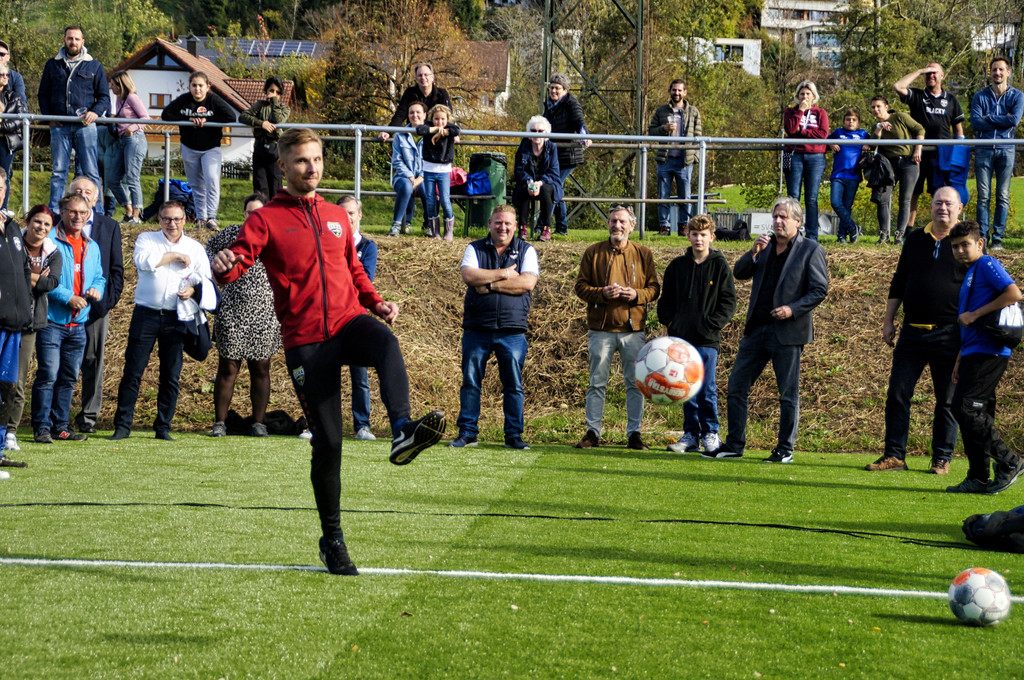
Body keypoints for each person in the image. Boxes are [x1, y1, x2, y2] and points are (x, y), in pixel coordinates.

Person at [210, 127, 447, 576]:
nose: (312, 168)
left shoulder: (338, 215)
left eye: (317, 159)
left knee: (385, 342)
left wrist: (376, 302)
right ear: (283, 166)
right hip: (305, 342)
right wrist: (224, 267)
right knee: (330, 444)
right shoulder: (265, 219)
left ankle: (401, 429)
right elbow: (239, 259)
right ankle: (332, 539)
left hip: (346, 320)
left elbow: (353, 268)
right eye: (301, 160)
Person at [718, 196, 828, 463]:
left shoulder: (810, 250)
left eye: (784, 217)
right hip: (756, 330)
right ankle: (734, 445)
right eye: (776, 216)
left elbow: (819, 289)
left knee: (787, 394)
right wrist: (753, 251)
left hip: (788, 332)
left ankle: (784, 449)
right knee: (736, 386)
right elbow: (740, 273)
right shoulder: (764, 246)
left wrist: (792, 309)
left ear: (798, 222)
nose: (778, 222)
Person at [867, 187, 966, 474]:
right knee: (897, 394)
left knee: (946, 400)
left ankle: (942, 459)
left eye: (949, 204)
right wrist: (888, 321)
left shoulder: (965, 242)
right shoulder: (914, 239)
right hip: (911, 333)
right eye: (938, 203)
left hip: (949, 334)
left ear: (960, 208)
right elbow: (899, 281)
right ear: (931, 206)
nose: (943, 208)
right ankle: (895, 456)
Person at [108, 200, 214, 441]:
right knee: (133, 371)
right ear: (159, 220)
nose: (172, 224)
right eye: (166, 219)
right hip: (146, 313)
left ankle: (163, 427)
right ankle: (122, 426)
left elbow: (204, 278)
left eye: (176, 219)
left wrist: (192, 291)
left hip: (177, 316)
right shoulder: (147, 239)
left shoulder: (195, 247)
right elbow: (144, 263)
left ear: (185, 220)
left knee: (171, 374)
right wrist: (173, 255)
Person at [450, 205, 539, 450]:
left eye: (508, 223)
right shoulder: (474, 248)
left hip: (512, 330)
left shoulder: (527, 250)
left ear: (515, 225)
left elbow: (527, 282)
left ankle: (513, 435)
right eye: (498, 223)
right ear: (490, 223)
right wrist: (504, 274)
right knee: (470, 382)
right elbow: (469, 276)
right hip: (477, 328)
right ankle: (468, 432)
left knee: (513, 385)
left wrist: (489, 284)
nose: (503, 227)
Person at [946, 220, 1024, 494]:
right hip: (972, 351)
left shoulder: (987, 264)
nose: (959, 250)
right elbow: (966, 324)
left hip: (990, 350)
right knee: (978, 412)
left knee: (965, 408)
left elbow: (1014, 293)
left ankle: (1009, 461)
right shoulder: (971, 273)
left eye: (965, 244)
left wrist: (975, 315)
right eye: (955, 246)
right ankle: (978, 476)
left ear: (979, 243)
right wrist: (959, 358)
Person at [573, 204, 660, 451]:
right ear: (608, 224)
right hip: (600, 330)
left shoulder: (643, 253)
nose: (617, 226)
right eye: (613, 221)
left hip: (633, 331)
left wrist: (635, 294)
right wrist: (602, 293)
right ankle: (593, 432)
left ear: (632, 226)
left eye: (622, 222)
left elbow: (654, 289)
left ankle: (634, 434)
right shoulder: (593, 252)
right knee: (596, 382)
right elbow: (580, 287)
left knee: (635, 383)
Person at [204, 193, 282, 439]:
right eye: (250, 212)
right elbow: (208, 250)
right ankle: (220, 422)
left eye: (259, 212)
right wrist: (214, 266)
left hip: (265, 312)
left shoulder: (275, 236)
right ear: (244, 213)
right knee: (228, 367)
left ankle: (258, 423)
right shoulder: (232, 234)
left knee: (261, 368)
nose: (254, 216)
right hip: (232, 311)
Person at [659, 214, 736, 456]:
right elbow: (666, 300)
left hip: (707, 340)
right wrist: (671, 322)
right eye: (694, 234)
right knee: (686, 388)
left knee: (707, 388)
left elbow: (728, 302)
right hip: (681, 340)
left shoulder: (719, 265)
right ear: (688, 235)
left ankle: (710, 433)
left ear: (711, 237)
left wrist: (710, 325)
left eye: (703, 235)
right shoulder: (677, 266)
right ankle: (691, 434)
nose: (698, 239)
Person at [31, 193, 105, 443]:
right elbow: (41, 278)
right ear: (61, 213)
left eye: (83, 213)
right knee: (48, 375)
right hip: (52, 320)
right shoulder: (49, 241)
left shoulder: (91, 245)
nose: (77, 217)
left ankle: (60, 425)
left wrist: (97, 289)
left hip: (79, 324)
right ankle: (41, 426)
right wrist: (67, 297)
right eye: (72, 212)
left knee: (68, 377)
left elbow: (100, 277)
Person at [62, 177, 124, 434]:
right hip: (62, 307)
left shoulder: (109, 226)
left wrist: (106, 303)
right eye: (77, 191)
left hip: (97, 309)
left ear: (96, 199)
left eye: (88, 192)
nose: (83, 194)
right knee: (62, 363)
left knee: (93, 363)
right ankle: (58, 416)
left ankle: (88, 417)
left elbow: (116, 270)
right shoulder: (59, 225)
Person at [0, 206, 60, 456]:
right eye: (37, 222)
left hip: (30, 323)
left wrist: (27, 276)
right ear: (28, 221)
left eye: (47, 225)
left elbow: (51, 283)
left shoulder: (53, 252)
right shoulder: (12, 239)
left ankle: (10, 431)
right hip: (6, 316)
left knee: (16, 382)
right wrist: (33, 277)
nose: (41, 228)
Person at [37, 26, 109, 215]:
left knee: (91, 171)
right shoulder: (52, 65)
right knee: (58, 171)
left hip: (85, 126)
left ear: (83, 42)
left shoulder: (94, 66)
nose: (73, 42)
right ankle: (54, 212)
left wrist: (96, 112)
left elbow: (104, 97)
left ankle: (98, 213)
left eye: (77, 39)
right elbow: (43, 95)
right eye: (70, 38)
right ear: (64, 40)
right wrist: (49, 119)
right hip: (59, 126)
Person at [161, 72, 236, 231]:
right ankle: (201, 218)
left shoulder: (213, 100)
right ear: (189, 86)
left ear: (208, 87)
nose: (197, 89)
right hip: (189, 147)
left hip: (211, 148)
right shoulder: (184, 100)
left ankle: (211, 217)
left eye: (201, 85)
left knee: (212, 181)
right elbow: (166, 114)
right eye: (194, 85)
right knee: (196, 185)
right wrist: (188, 120)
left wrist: (208, 120)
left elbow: (230, 116)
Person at [893, 63, 965, 227]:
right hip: (916, 153)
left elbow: (959, 131)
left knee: (939, 194)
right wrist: (918, 71)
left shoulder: (951, 99)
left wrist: (960, 154)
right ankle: (907, 230)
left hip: (941, 155)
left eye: (934, 72)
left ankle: (939, 228)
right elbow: (898, 86)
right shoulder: (917, 96)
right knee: (913, 192)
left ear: (942, 75)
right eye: (927, 73)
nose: (930, 75)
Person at [970, 56, 1024, 250]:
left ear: (1008, 72)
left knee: (1002, 195)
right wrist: (1002, 118)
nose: (997, 73)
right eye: (994, 69)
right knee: (983, 195)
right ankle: (982, 237)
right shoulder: (980, 96)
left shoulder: (1017, 96)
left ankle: (998, 238)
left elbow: (1014, 121)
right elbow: (976, 122)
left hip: (1006, 150)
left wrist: (990, 117)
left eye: (1001, 69)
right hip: (984, 150)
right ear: (990, 72)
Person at [338, 196, 379, 441]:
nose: (347, 217)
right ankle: (318, 425)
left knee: (360, 377)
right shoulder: (325, 244)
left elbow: (364, 282)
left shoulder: (368, 247)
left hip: (356, 320)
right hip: (328, 319)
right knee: (324, 375)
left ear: (359, 215)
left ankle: (362, 425)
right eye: (342, 213)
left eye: (351, 213)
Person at [0, 173, 32, 467]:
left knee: (7, 387)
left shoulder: (11, 227)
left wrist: (27, 309)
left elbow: (23, 273)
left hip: (14, 324)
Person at [869, 96, 925, 245]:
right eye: (873, 107)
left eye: (878, 106)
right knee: (882, 198)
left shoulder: (900, 117)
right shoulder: (875, 126)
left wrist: (918, 149)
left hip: (908, 161)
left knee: (905, 199)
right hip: (888, 164)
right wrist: (879, 128)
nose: (876, 110)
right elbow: (873, 145)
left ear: (886, 106)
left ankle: (899, 236)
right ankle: (884, 235)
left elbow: (919, 128)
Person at [649, 79, 702, 236]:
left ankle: (683, 227)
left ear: (685, 92)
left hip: (684, 161)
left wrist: (695, 156)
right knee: (663, 195)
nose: (676, 93)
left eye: (679, 90)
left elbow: (699, 136)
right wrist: (663, 129)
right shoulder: (661, 111)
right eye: (674, 90)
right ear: (669, 91)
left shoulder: (693, 112)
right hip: (665, 159)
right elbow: (651, 131)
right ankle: (664, 227)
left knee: (685, 196)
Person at [543, 73, 590, 235]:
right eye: (552, 88)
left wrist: (584, 136)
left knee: (554, 187)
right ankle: (561, 227)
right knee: (557, 188)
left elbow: (579, 122)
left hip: (568, 155)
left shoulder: (571, 103)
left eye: (557, 88)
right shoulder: (549, 106)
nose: (553, 91)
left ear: (565, 90)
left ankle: (543, 225)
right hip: (553, 155)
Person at [782, 80, 828, 241]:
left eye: (808, 94)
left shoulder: (820, 113)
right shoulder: (790, 112)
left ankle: (812, 235)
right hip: (794, 155)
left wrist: (802, 132)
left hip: (815, 157)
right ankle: (792, 233)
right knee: (793, 197)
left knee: (811, 198)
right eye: (802, 94)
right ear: (797, 96)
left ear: (814, 96)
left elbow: (822, 135)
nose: (805, 97)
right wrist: (800, 113)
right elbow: (790, 129)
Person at [107, 71, 150, 224]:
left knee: (132, 177)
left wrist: (132, 127)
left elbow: (145, 118)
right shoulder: (119, 100)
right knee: (112, 179)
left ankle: (137, 215)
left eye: (113, 84)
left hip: (134, 139)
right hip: (122, 140)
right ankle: (129, 210)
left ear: (120, 84)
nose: (111, 87)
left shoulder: (132, 97)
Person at [512, 116, 562, 242]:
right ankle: (522, 228)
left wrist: (540, 183)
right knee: (522, 190)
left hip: (547, 183)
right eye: (533, 131)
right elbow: (518, 170)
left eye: (540, 131)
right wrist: (530, 183)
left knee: (546, 190)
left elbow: (554, 172)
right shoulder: (524, 146)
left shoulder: (551, 148)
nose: (537, 134)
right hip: (528, 182)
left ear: (546, 133)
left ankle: (546, 229)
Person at [239, 76, 290, 200]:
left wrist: (275, 104)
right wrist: (261, 123)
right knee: (260, 185)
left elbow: (278, 120)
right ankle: (260, 212)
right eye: (271, 91)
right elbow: (243, 117)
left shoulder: (284, 108)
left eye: (277, 92)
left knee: (275, 184)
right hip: (260, 148)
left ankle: (275, 214)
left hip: (275, 149)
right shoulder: (259, 105)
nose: (273, 94)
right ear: (266, 91)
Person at [416, 104, 459, 241]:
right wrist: (434, 129)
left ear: (447, 119)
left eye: (442, 119)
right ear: (431, 118)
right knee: (430, 200)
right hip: (429, 169)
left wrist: (444, 132)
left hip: (443, 170)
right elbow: (419, 129)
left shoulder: (450, 128)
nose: (439, 122)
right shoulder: (427, 127)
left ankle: (449, 230)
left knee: (445, 200)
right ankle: (435, 231)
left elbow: (456, 130)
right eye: (436, 119)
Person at [379, 63, 453, 143]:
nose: (423, 78)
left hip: (435, 138)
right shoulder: (410, 93)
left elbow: (448, 116)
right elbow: (400, 115)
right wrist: (388, 132)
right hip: (414, 137)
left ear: (432, 77)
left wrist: (453, 133)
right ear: (416, 79)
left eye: (426, 75)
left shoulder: (442, 94)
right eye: (420, 75)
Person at [827, 108, 868, 243]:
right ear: (844, 121)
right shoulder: (838, 132)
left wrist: (869, 145)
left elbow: (876, 142)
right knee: (836, 203)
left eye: (853, 120)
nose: (850, 122)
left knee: (846, 206)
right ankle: (853, 228)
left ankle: (841, 236)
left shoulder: (863, 134)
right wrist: (831, 143)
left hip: (854, 176)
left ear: (858, 122)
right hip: (838, 175)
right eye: (848, 119)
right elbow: (825, 141)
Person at [389, 101, 426, 237]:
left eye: (418, 112)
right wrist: (411, 177)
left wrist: (420, 178)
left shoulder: (430, 136)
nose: (414, 115)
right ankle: (396, 225)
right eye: (411, 112)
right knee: (406, 187)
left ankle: (428, 225)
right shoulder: (400, 135)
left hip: (424, 177)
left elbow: (431, 161)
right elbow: (397, 160)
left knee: (428, 189)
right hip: (403, 177)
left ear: (424, 115)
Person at [0, 64, 27, 219]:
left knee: (4, 173)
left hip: (6, 141)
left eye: (7, 75)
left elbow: (21, 118)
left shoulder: (14, 96)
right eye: (1, 74)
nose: (5, 77)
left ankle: (3, 207)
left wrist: (2, 126)